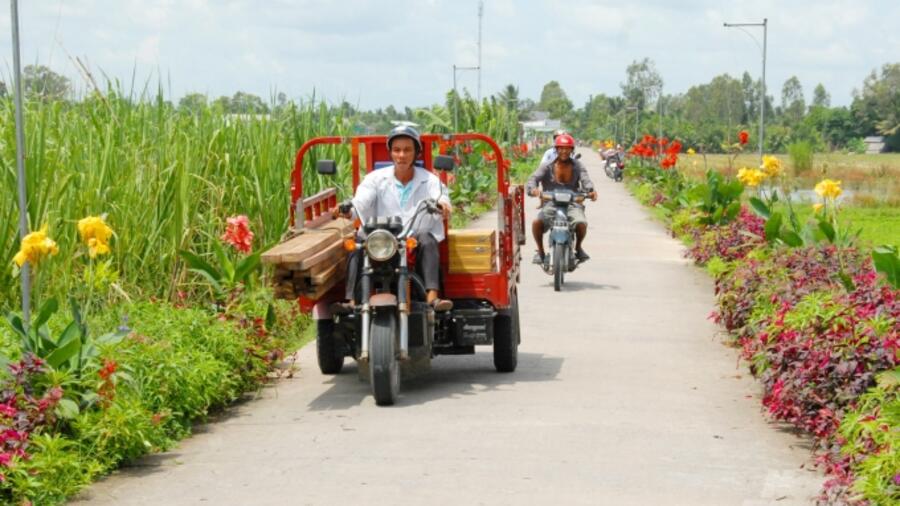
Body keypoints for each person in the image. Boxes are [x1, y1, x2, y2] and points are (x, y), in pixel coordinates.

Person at [331, 125, 454, 312]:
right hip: (381, 238)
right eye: (397, 150)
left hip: (413, 238)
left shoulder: (430, 180)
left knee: (428, 240)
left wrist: (442, 204)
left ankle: (433, 298)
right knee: (357, 243)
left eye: (407, 150)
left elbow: (441, 196)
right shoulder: (375, 179)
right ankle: (351, 301)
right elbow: (361, 201)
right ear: (391, 153)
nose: (402, 155)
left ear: (416, 153)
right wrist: (348, 209)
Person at [525, 133, 597, 265]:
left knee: (581, 223)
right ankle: (540, 252)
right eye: (561, 148)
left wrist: (591, 191)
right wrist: (533, 189)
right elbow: (533, 179)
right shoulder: (547, 166)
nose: (564, 151)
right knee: (536, 223)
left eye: (567, 148)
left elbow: (586, 180)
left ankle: (578, 247)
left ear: (572, 150)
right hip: (551, 202)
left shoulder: (578, 166)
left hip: (573, 203)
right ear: (556, 149)